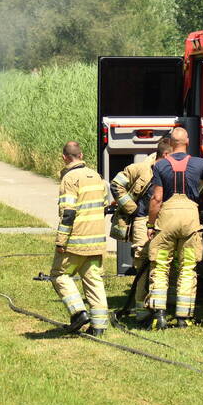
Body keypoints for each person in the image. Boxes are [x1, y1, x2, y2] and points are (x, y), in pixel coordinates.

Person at [145, 127, 203, 329]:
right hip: (190, 220)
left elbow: (157, 198)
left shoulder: (160, 166)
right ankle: (183, 317)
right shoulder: (199, 163)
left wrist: (151, 224)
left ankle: (159, 314)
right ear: (187, 141)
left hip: (167, 220)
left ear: (170, 142)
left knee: (160, 266)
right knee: (187, 267)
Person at [51, 141, 111, 337]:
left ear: (64, 158)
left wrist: (61, 240)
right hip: (97, 241)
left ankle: (78, 313)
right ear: (81, 154)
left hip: (76, 243)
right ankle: (100, 324)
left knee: (60, 275)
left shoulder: (69, 179)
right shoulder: (97, 177)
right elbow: (104, 205)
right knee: (93, 279)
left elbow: (68, 213)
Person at [110, 137, 172, 320]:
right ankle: (142, 312)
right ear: (166, 154)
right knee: (143, 265)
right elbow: (116, 184)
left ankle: (157, 307)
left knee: (160, 263)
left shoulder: (171, 170)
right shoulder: (141, 168)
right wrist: (132, 208)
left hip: (164, 221)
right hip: (142, 222)